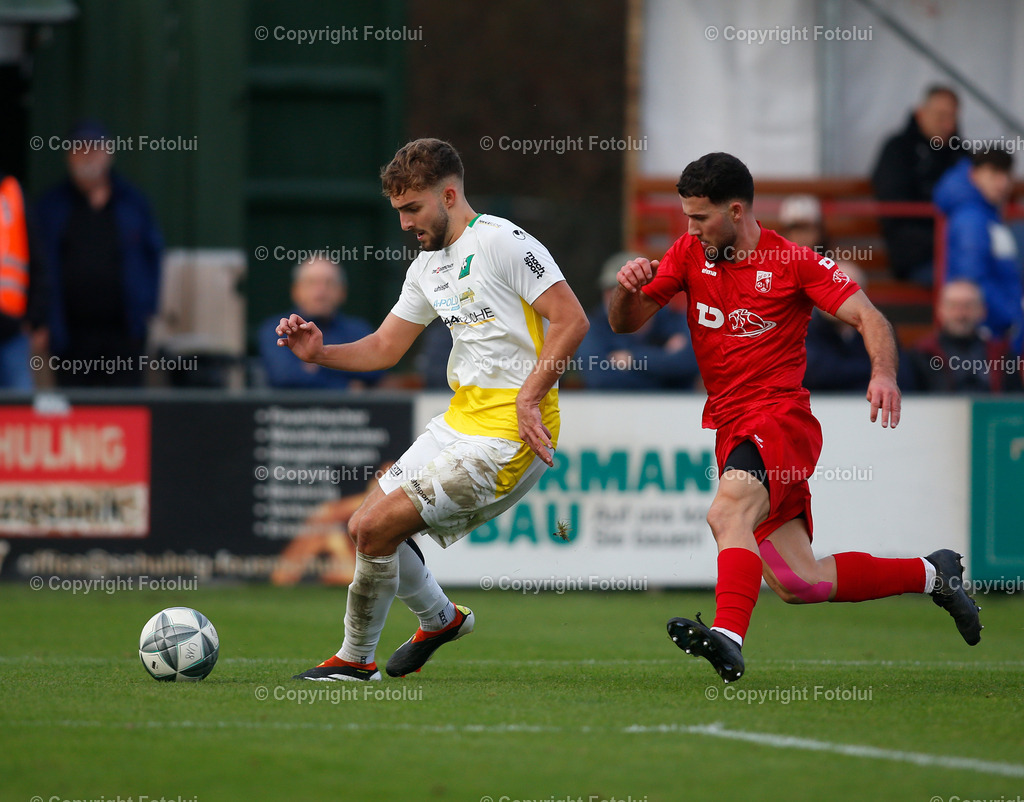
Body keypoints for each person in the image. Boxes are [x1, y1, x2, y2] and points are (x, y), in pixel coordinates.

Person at [608, 152, 981, 684]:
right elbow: (626, 324)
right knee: (798, 581)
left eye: (699, 217)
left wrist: (884, 375)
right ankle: (933, 574)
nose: (690, 228)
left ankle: (729, 638)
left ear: (736, 210)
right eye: (687, 217)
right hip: (731, 423)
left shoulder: (793, 262)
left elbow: (868, 315)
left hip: (779, 418)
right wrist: (626, 288)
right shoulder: (690, 252)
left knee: (726, 514)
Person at [277, 138, 589, 681]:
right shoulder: (427, 266)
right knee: (362, 526)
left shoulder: (503, 243)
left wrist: (530, 395)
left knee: (375, 528)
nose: (403, 223)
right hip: (459, 424)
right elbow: (384, 348)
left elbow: (572, 320)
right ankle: (440, 619)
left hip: (509, 437)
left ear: (448, 195)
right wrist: (319, 353)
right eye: (397, 210)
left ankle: (355, 660)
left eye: (411, 209)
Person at [35, 120, 162, 387]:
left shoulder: (132, 202)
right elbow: (40, 264)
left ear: (109, 153)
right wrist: (42, 319)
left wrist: (146, 306)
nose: (87, 156)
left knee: (127, 412)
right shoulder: (51, 207)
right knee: (78, 414)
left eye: (95, 148)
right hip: (71, 335)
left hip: (123, 332)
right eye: (80, 149)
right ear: (68, 155)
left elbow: (153, 255)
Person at [871, 85, 961, 286]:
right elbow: (895, 211)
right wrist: (944, 239)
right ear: (921, 114)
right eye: (941, 116)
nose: (948, 125)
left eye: (952, 117)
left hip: (961, 250)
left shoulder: (960, 153)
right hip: (918, 258)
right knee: (966, 281)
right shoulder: (897, 150)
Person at [934, 147, 1022, 341]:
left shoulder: (986, 214)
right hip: (989, 332)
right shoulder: (971, 219)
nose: (1003, 182)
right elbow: (973, 281)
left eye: (1006, 174)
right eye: (994, 173)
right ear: (974, 174)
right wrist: (1015, 316)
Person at [577, 251, 698, 390]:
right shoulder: (593, 327)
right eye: (612, 289)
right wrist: (665, 364)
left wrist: (633, 358)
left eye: (629, 289)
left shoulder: (676, 319)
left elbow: (690, 364)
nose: (618, 297)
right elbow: (600, 379)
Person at [259, 257, 382, 389]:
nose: (320, 292)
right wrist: (346, 385)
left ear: (342, 292)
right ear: (296, 291)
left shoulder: (359, 330)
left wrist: (315, 365)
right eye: (312, 283)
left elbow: (376, 370)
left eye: (329, 283)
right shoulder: (279, 328)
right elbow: (284, 375)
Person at [909, 279, 1013, 393]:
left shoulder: (1001, 353)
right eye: (953, 306)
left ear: (982, 310)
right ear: (940, 310)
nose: (960, 314)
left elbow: (1015, 399)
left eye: (968, 306)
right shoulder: (921, 354)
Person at [0, 173, 48, 390]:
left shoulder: (12, 192)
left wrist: (36, 318)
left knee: (19, 412)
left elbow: (37, 257)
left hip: (12, 332)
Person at [803, 261, 873, 392]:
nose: (841, 298)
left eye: (850, 291)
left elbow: (899, 373)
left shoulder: (876, 328)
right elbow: (816, 375)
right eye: (832, 289)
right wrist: (873, 370)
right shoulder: (802, 327)